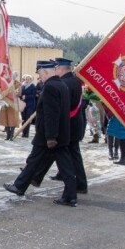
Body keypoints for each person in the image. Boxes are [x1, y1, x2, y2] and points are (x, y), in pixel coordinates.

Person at [3, 60, 77, 207]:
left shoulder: (50, 87)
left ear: (45, 72)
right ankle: (23, 185)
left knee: (36, 160)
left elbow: (51, 114)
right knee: (60, 164)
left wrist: (50, 137)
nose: (39, 77)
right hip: (59, 133)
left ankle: (20, 186)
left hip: (48, 135)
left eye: (40, 73)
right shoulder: (61, 85)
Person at [32, 58, 87, 193]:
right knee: (66, 155)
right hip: (73, 124)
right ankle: (38, 175)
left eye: (56, 68)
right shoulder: (73, 81)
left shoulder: (65, 83)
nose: (55, 71)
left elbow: (60, 107)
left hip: (68, 125)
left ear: (61, 69)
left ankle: (78, 185)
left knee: (67, 155)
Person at [0, 71, 21, 141]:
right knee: (6, 119)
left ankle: (11, 135)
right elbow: (0, 91)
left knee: (12, 119)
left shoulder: (17, 83)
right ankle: (7, 135)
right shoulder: (5, 82)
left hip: (13, 104)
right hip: (5, 103)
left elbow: (19, 93)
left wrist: (14, 93)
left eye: (13, 76)